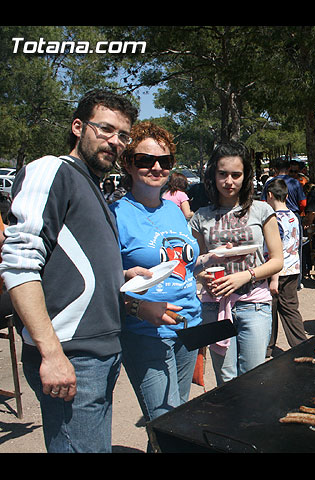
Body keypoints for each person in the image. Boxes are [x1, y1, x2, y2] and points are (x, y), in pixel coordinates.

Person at [0, 89, 170, 453]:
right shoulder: (53, 169)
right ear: (78, 127)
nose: (115, 141)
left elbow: (74, 268)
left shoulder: (92, 187)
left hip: (100, 353)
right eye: (105, 129)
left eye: (123, 135)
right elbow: (19, 264)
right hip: (71, 355)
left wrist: (122, 279)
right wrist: (51, 354)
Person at [109, 122, 203, 442]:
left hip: (187, 322)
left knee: (177, 420)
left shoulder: (175, 211)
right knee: (167, 423)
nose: (157, 167)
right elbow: (99, 276)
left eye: (165, 160)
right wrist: (126, 283)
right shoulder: (115, 214)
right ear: (128, 164)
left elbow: (182, 263)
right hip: (145, 332)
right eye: (145, 160)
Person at [190, 141, 283, 384]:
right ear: (213, 175)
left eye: (236, 174)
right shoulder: (201, 217)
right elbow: (195, 264)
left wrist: (246, 275)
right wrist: (203, 277)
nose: (229, 181)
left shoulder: (262, 211)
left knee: (253, 378)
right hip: (214, 306)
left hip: (254, 303)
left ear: (246, 176)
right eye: (222, 174)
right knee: (225, 379)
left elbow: (277, 261)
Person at [264, 179, 307, 355]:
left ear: (269, 195)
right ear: (287, 196)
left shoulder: (274, 219)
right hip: (293, 268)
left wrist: (273, 278)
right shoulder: (293, 216)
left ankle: (267, 346)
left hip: (277, 271)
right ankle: (300, 343)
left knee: (270, 311)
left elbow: (277, 249)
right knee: (290, 309)